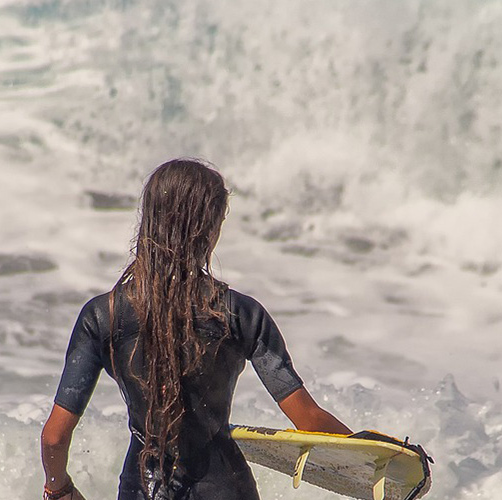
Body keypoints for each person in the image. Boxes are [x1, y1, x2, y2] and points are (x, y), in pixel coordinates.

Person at [39, 159, 352, 500]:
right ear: (210, 229)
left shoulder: (103, 316)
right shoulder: (241, 313)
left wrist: (59, 488)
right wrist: (379, 454)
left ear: (149, 221)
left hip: (142, 490)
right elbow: (308, 420)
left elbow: (54, 437)